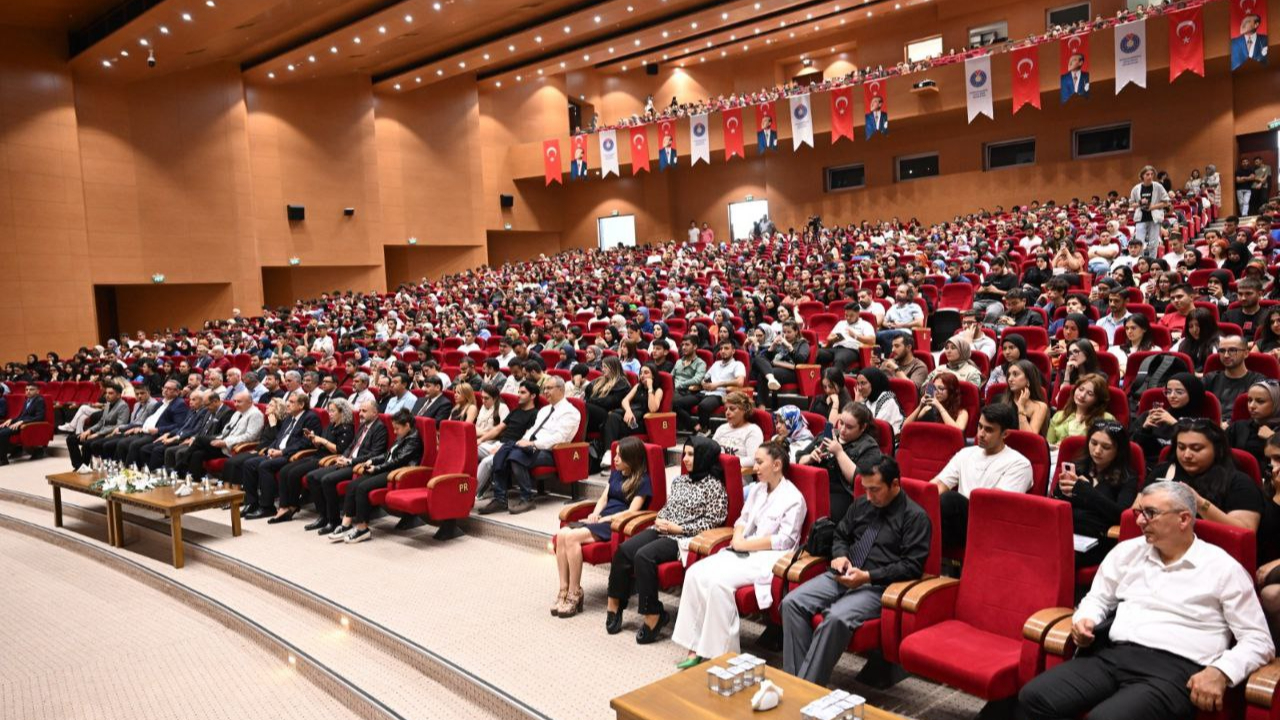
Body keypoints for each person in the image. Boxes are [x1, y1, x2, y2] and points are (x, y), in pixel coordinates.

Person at [1018, 481, 1274, 720]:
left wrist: (1222, 671)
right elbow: (1098, 598)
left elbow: (1258, 639)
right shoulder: (1128, 552)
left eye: (1150, 513)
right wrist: (1086, 619)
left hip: (1175, 669)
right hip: (1115, 654)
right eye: (1139, 511)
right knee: (1034, 697)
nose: (1139, 520)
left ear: (1184, 519)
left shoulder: (1223, 568)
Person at [781, 457, 931, 686]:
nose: (868, 496)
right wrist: (840, 555)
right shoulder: (862, 505)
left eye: (875, 490)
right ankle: (797, 684)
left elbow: (912, 566)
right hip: (844, 573)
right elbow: (841, 534)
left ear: (895, 484)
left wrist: (868, 577)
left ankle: (806, 688)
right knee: (792, 603)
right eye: (865, 489)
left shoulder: (915, 518)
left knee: (836, 618)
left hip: (878, 586)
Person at [671, 441, 806, 669]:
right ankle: (694, 645)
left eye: (760, 462)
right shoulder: (757, 489)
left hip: (770, 557)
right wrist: (738, 538)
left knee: (718, 584)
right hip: (742, 547)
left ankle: (724, 656)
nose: (755, 467)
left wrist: (746, 545)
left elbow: (785, 540)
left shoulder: (794, 498)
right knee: (694, 572)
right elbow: (743, 518)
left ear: (776, 465)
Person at [606, 436, 729, 643]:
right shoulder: (680, 481)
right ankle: (614, 603)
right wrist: (661, 518)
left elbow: (714, 522)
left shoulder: (714, 486)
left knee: (643, 556)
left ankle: (654, 614)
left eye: (691, 455)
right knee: (624, 550)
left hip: (685, 537)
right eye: (685, 454)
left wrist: (679, 528)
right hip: (663, 528)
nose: (685, 459)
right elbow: (668, 507)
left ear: (703, 457)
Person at [551, 436, 652, 618]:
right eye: (616, 454)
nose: (615, 459)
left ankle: (575, 592)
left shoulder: (642, 481)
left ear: (631, 457)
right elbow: (604, 499)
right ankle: (563, 590)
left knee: (571, 537)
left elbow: (632, 511)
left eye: (620, 456)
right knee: (562, 534)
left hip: (617, 524)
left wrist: (606, 519)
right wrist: (595, 514)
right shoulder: (616, 474)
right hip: (602, 519)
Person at [932, 404, 1032, 548]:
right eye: (980, 426)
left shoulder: (1019, 463)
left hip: (990, 525)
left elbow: (996, 505)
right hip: (959, 523)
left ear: (1005, 434)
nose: (981, 434)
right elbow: (937, 486)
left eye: (989, 430)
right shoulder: (966, 453)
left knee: (949, 500)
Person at [480, 376, 582, 515]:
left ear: (560, 389)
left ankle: (527, 498)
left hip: (551, 451)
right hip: (532, 446)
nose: (545, 391)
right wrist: (522, 441)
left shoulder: (571, 412)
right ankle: (500, 499)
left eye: (549, 388)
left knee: (516, 456)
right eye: (544, 388)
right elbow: (532, 430)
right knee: (502, 452)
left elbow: (559, 438)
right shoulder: (544, 410)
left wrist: (532, 443)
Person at [1145, 420, 1264, 534]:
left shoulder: (1239, 483)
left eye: (1196, 449)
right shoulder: (1162, 470)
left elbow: (1244, 533)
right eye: (1181, 447)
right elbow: (1138, 509)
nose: (1187, 455)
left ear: (1217, 449)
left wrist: (1200, 503)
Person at [326, 409, 424, 543]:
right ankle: (345, 525)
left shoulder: (414, 440)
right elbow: (387, 455)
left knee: (362, 488)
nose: (394, 432)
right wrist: (372, 461)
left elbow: (398, 461)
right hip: (387, 469)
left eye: (397, 428)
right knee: (352, 485)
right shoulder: (403, 435)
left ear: (407, 425)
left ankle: (362, 529)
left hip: (397, 474)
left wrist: (377, 468)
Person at [1053, 421, 1138, 568]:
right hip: (1065, 532)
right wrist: (1060, 491)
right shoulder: (1078, 467)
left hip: (1098, 540)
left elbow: (1121, 515)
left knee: (1059, 558)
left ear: (1118, 449)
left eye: (1106, 447)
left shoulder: (1127, 478)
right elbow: (1056, 502)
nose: (1097, 451)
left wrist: (1087, 491)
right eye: (1093, 443)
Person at [304, 400, 389, 534]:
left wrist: (350, 461)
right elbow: (351, 446)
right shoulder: (362, 425)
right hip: (347, 461)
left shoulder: (380, 428)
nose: (360, 414)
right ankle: (323, 516)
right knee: (312, 477)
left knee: (327, 480)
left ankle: (333, 521)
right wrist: (343, 457)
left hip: (358, 465)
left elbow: (375, 454)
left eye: (364, 411)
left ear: (375, 413)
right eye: (360, 410)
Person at [271, 398, 355, 523]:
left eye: (332, 411)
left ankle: (292, 506)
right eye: (329, 411)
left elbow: (340, 450)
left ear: (342, 412)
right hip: (317, 454)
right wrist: (314, 439)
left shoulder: (346, 428)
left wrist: (323, 441)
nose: (329, 414)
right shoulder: (330, 425)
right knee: (285, 470)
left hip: (327, 459)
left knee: (294, 473)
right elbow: (319, 445)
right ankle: (284, 506)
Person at [241, 391, 322, 519]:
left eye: (291, 402)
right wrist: (271, 448)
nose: (287, 404)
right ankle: (251, 503)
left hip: (292, 455)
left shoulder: (310, 418)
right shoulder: (289, 417)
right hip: (278, 452)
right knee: (249, 464)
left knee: (265, 465)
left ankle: (267, 507)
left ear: (301, 405)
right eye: (288, 401)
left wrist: (282, 452)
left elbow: (306, 443)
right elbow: (279, 437)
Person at [798, 402, 884, 522]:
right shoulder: (828, 435)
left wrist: (839, 453)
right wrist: (810, 458)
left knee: (819, 517)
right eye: (841, 423)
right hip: (814, 487)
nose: (842, 430)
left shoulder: (869, 447)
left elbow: (860, 480)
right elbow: (799, 459)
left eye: (849, 427)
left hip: (842, 494)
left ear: (863, 427)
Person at [594, 363, 664, 473]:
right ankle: (610, 456)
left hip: (641, 422)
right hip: (629, 416)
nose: (642, 375)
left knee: (612, 423)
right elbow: (625, 401)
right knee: (612, 417)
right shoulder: (637, 386)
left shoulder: (658, 390)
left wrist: (650, 388)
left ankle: (610, 456)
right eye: (641, 373)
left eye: (646, 373)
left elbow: (653, 408)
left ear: (653, 376)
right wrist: (628, 411)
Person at [181, 390, 264, 482]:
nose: (236, 404)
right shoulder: (238, 412)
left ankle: (181, 467)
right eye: (235, 401)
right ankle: (195, 481)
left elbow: (250, 436)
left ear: (250, 402)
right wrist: (218, 439)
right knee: (197, 454)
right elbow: (226, 431)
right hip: (224, 442)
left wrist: (225, 442)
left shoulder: (256, 414)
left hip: (234, 447)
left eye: (239, 402)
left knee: (199, 439)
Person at [1134, 373, 1207, 468]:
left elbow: (1197, 450)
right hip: (1149, 467)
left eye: (1179, 392)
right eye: (1168, 391)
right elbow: (1133, 449)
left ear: (1193, 394)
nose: (1172, 396)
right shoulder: (1152, 415)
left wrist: (1175, 423)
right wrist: (1144, 430)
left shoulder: (1202, 423)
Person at [678, 340, 744, 435]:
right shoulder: (716, 364)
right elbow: (705, 378)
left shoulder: (738, 364)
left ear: (733, 351)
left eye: (726, 348)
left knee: (703, 406)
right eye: (721, 349)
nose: (723, 351)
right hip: (705, 392)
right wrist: (703, 383)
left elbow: (740, 382)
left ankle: (705, 429)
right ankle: (695, 426)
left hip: (720, 394)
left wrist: (717, 384)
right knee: (676, 404)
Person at [66, 382, 128, 472]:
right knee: (71, 439)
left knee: (87, 443)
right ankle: (79, 466)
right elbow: (101, 422)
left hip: (110, 434)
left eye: (110, 393)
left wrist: (98, 434)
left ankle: (84, 467)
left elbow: (120, 425)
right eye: (106, 393)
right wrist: (89, 431)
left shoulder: (123, 406)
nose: (107, 395)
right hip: (100, 432)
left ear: (118, 395)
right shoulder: (108, 404)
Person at [1204, 336, 1264, 424]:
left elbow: (1263, 413)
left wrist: (1229, 424)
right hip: (1211, 427)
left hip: (1243, 428)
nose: (1226, 355)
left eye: (1232, 350)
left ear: (1246, 353)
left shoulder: (1259, 381)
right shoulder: (1210, 378)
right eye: (1222, 351)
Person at [751, 321, 809, 409]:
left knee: (762, 375)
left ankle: (761, 408)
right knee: (758, 358)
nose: (786, 334)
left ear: (796, 331)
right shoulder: (780, 343)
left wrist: (789, 347)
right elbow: (766, 357)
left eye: (789, 332)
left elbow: (800, 360)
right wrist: (773, 346)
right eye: (784, 332)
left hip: (792, 371)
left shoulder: (802, 343)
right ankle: (770, 378)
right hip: (775, 368)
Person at [1048, 373, 1114, 447]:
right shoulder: (1058, 416)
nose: (1082, 395)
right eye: (1080, 389)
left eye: (1090, 393)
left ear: (1098, 399)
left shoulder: (1106, 419)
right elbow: (1049, 445)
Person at [1227, 380, 1280, 470]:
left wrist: (1272, 438)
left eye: (1260, 401)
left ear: (1276, 403)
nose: (1251, 406)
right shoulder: (1238, 427)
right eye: (1249, 400)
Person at [711, 391, 764, 470]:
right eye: (726, 409)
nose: (727, 413)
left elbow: (753, 460)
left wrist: (727, 464)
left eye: (732, 409)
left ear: (744, 410)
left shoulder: (753, 430)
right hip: (717, 471)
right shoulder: (722, 428)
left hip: (739, 473)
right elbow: (711, 451)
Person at [997, 359, 1051, 436]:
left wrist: (1021, 407)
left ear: (1028, 380)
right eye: (1009, 375)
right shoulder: (999, 400)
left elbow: (1028, 438)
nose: (1010, 379)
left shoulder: (1039, 406)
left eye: (1015, 374)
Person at [1129, 164, 1171, 259]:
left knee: (1153, 243)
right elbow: (1131, 204)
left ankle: (1152, 261)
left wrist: (1153, 207)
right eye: (1147, 174)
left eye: (1152, 174)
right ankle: (1140, 261)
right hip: (1141, 218)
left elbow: (1166, 202)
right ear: (1142, 176)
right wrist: (1140, 203)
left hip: (1154, 218)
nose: (1150, 176)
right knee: (1139, 242)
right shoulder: (1136, 188)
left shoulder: (1158, 186)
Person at [816, 304, 873, 375]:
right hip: (835, 348)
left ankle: (833, 381)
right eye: (846, 315)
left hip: (851, 350)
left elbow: (872, 340)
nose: (848, 318)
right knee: (817, 353)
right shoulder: (841, 323)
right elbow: (829, 337)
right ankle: (818, 378)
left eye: (851, 315)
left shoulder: (865, 325)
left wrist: (855, 336)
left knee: (839, 359)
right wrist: (833, 339)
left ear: (858, 313)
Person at [904, 373, 969, 432]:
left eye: (941, 388)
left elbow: (957, 431)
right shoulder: (927, 408)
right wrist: (920, 406)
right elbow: (905, 427)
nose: (936, 392)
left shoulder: (962, 413)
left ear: (951, 391)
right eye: (934, 388)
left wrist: (939, 406)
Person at [0, 385, 47, 464]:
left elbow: (40, 417)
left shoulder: (39, 400)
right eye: (26, 389)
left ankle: (3, 460)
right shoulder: (27, 400)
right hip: (20, 423)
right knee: (1, 429)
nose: (28, 391)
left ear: (37, 391)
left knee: (2, 433)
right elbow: (21, 416)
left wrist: (23, 421)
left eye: (31, 389)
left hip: (28, 425)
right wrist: (11, 420)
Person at [854, 367, 903, 435]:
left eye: (863, 383)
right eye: (858, 383)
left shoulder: (888, 401)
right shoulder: (867, 398)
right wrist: (857, 404)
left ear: (874, 383)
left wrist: (859, 405)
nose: (859, 388)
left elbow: (873, 428)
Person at [1176, 308, 1221, 373]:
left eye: (1198, 325)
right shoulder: (1183, 342)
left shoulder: (1220, 343)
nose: (1194, 330)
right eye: (1191, 326)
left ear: (1208, 326)